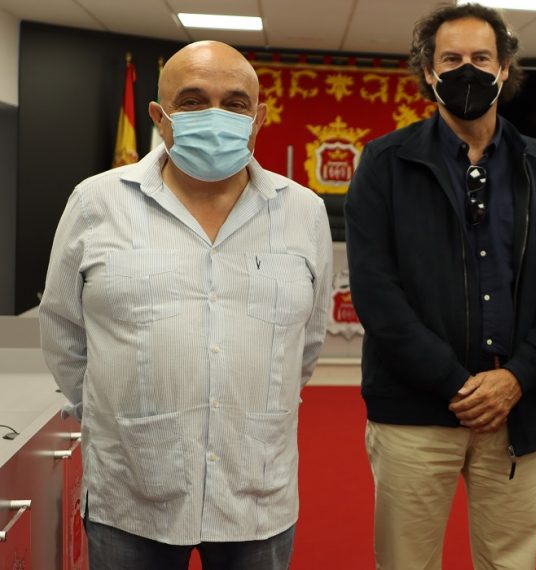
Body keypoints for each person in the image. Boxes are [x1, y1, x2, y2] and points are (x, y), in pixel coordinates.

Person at [39, 40, 333, 569]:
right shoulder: (94, 203)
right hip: (131, 493)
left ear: (259, 118)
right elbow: (64, 334)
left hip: (257, 496)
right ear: (160, 116)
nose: (216, 115)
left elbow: (305, 345)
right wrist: (122, 417)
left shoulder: (303, 213)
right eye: (193, 101)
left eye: (236, 103)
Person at [344, 4, 536, 569]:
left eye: (481, 58)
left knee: (510, 564)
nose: (467, 71)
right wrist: (457, 384)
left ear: (505, 68)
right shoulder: (384, 164)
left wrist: (514, 380)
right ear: (428, 72)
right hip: (412, 412)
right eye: (450, 59)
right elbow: (378, 297)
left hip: (518, 415)